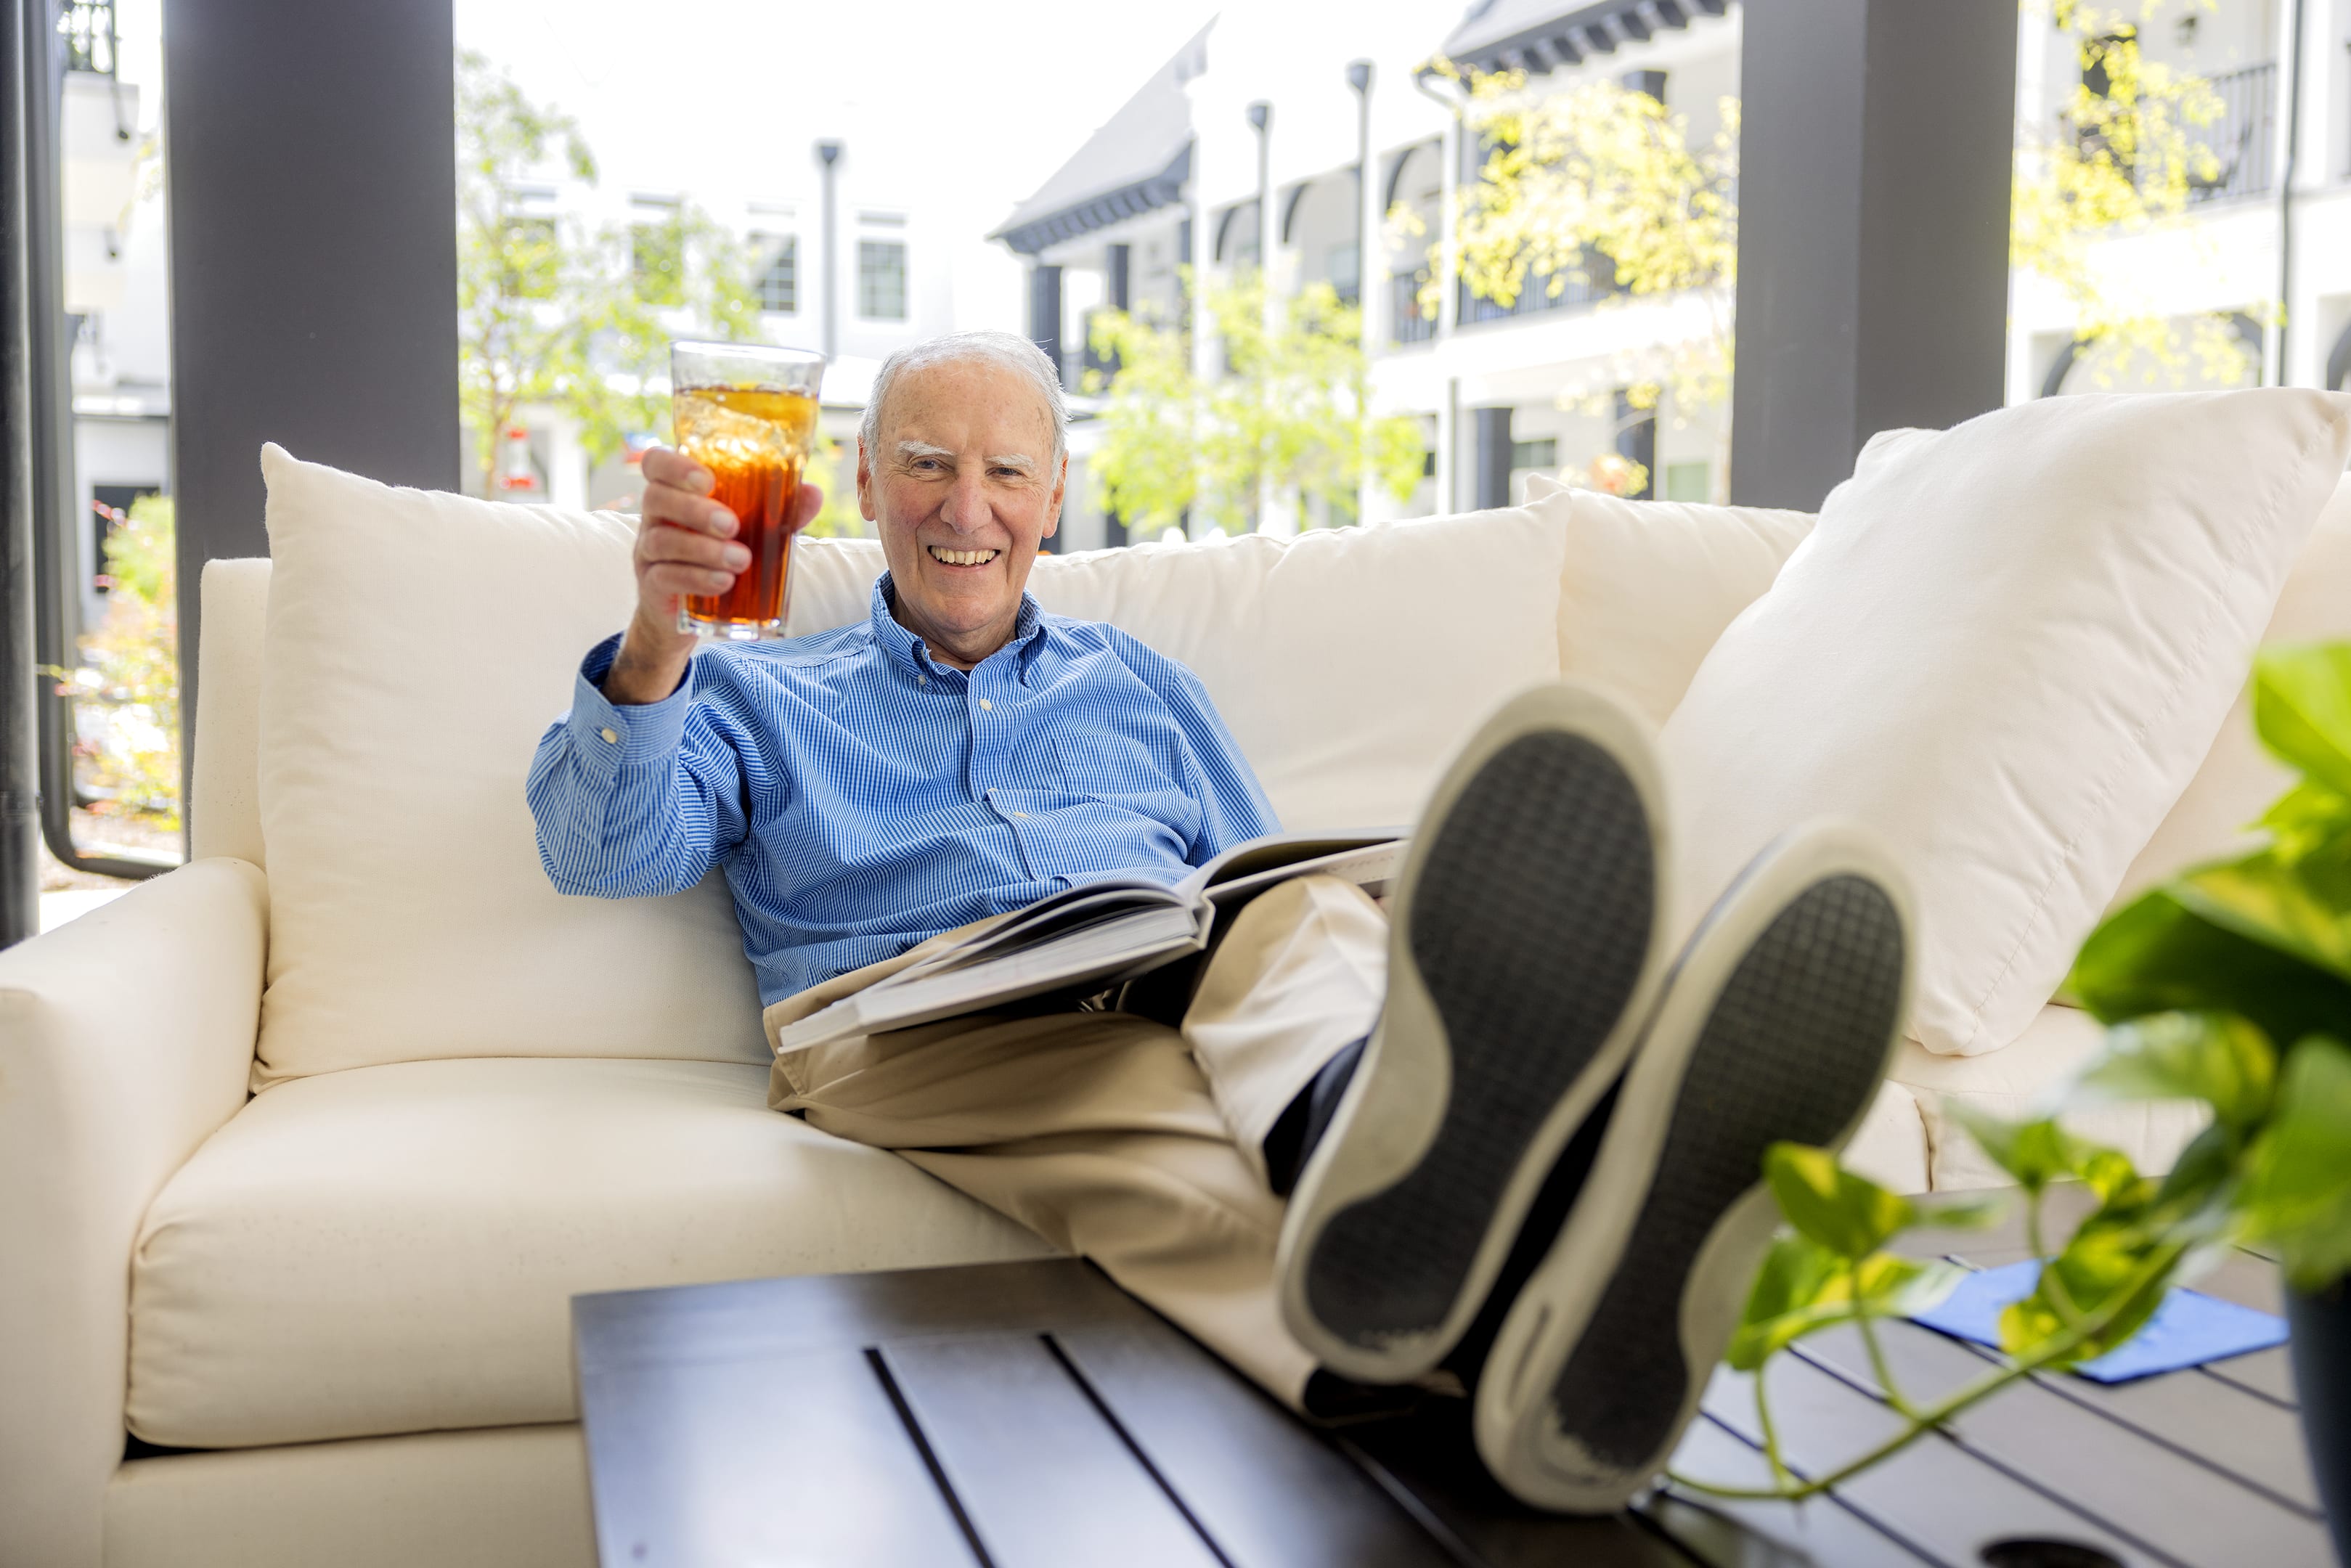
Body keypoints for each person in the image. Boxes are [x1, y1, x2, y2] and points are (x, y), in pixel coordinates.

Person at [526, 330, 1911, 1511]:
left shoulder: (1136, 682)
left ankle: (1391, 1129)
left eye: (1008, 471)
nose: (969, 506)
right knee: (1151, 1112)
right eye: (929, 464)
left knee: (1292, 909)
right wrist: (659, 632)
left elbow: (1258, 879)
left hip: (1161, 958)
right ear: (870, 485)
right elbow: (608, 851)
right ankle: (1527, 1230)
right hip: (917, 1009)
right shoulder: (760, 689)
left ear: (1054, 499)